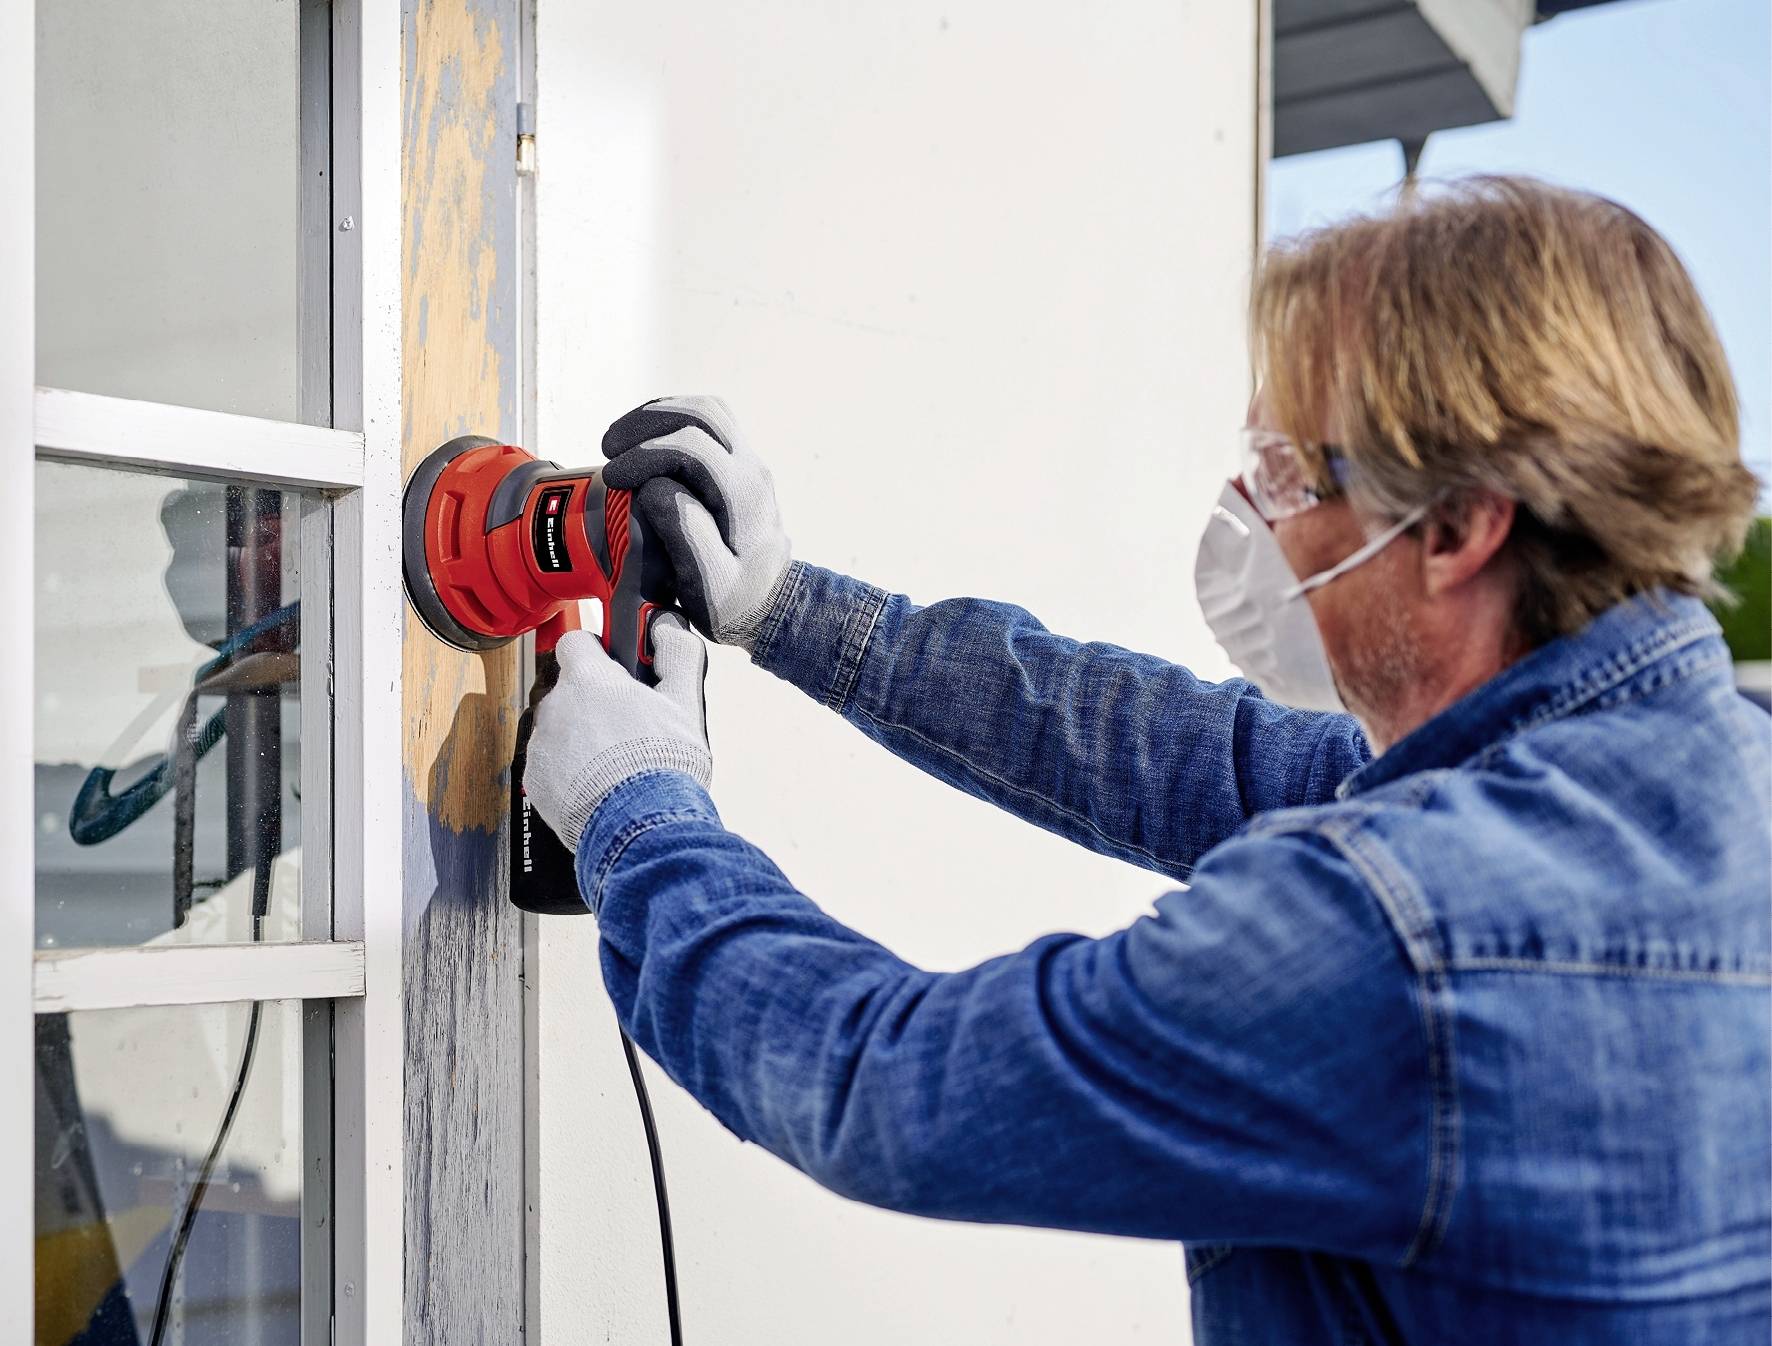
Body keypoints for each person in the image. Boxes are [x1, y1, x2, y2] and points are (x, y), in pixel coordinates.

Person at [524, 176, 1771, 1343]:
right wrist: (790, 606)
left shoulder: (1403, 932)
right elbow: (1178, 755)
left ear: (1452, 526)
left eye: (1283, 473)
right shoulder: (1695, 774)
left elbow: (887, 1084)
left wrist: (638, 812)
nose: (1246, 517)